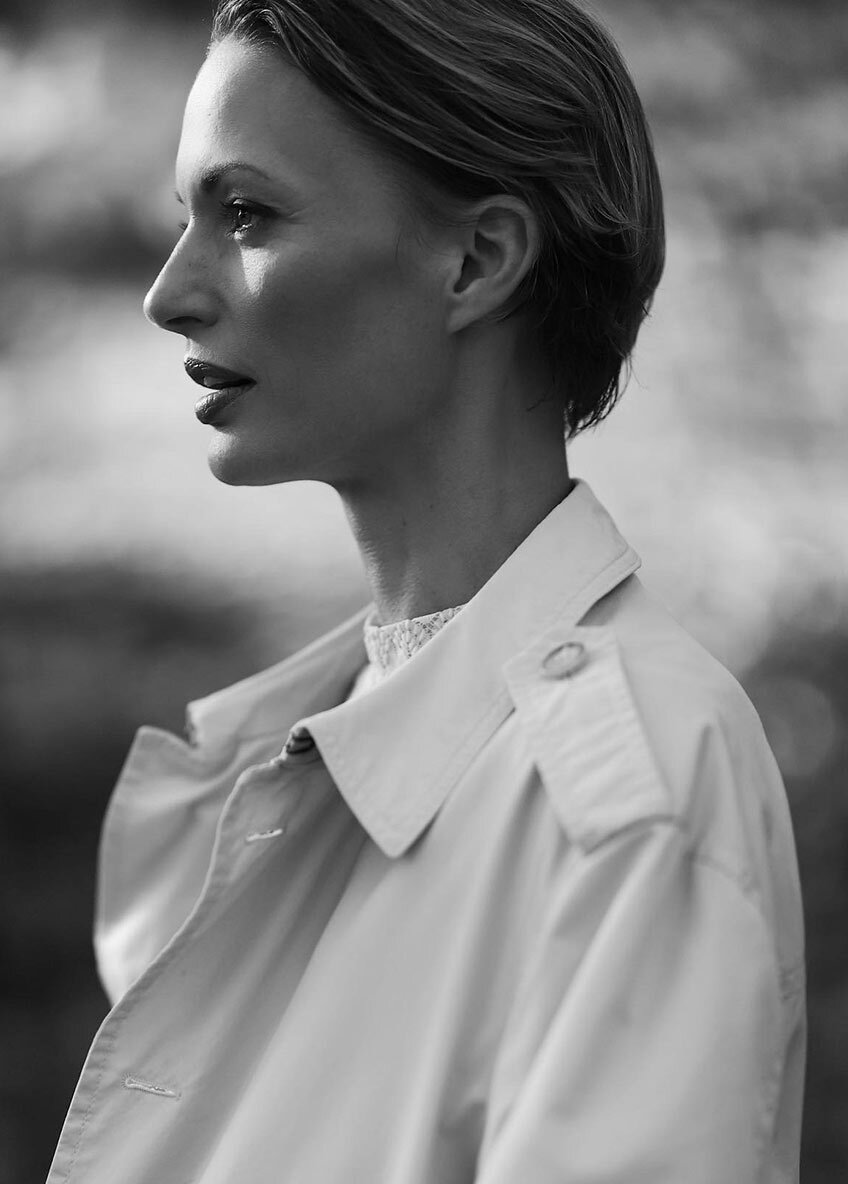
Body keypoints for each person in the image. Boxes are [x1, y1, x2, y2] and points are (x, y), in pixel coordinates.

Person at [47, 1, 806, 1181]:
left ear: (477, 259)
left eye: (244, 213)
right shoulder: (300, 759)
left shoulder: (628, 796)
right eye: (184, 217)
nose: (169, 292)